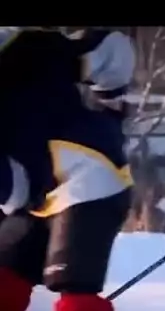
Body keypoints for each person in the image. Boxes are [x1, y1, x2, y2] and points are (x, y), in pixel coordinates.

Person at [0, 27, 135, 311]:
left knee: (75, 293)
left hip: (87, 177)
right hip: (41, 191)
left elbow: (16, 190)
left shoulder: (27, 46)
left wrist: (109, 104)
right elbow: (112, 50)